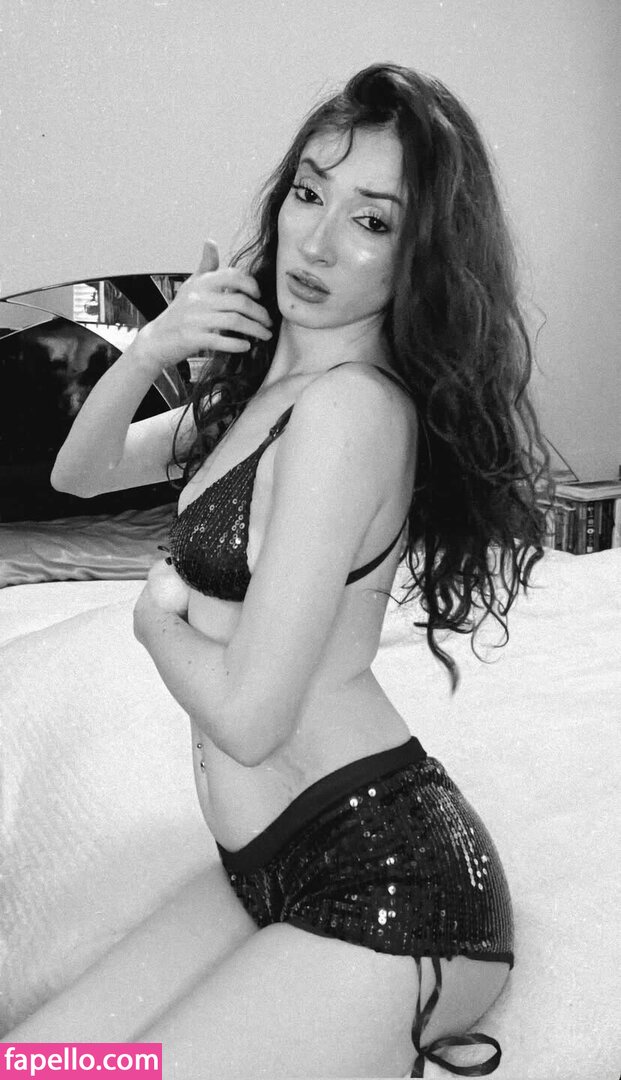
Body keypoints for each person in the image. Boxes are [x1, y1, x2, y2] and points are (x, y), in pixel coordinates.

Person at [51, 63, 549, 1078]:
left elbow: (251, 718)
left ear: (417, 256)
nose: (316, 244)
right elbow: (81, 474)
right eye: (309, 195)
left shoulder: (349, 411)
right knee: (39, 1064)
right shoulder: (257, 397)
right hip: (264, 865)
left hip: (391, 886)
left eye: (370, 221)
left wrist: (156, 623)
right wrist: (150, 348)